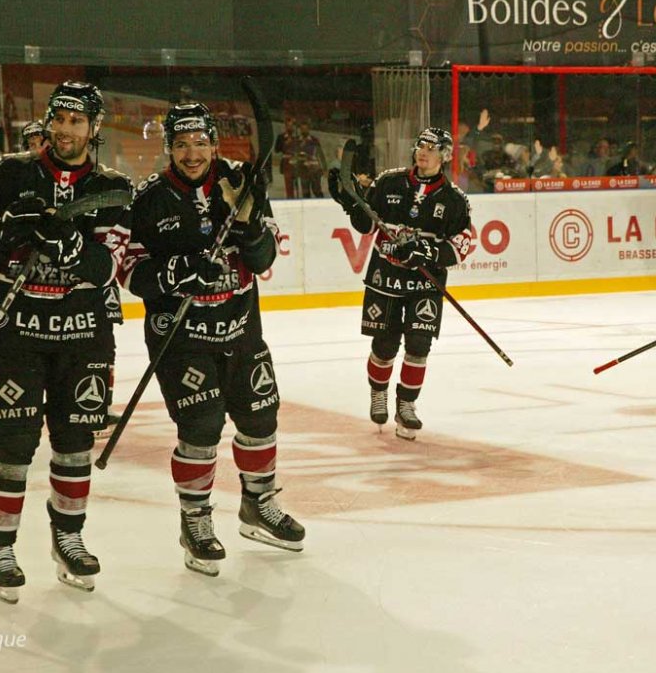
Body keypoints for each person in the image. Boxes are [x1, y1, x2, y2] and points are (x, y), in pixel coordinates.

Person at [117, 102, 304, 577]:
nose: (192, 153)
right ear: (169, 149)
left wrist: (246, 223)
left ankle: (258, 506)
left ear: (214, 143)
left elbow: (265, 259)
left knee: (261, 417)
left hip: (242, 330)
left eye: (200, 142)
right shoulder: (150, 198)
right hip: (181, 339)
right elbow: (130, 271)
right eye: (181, 144)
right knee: (200, 430)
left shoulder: (241, 184)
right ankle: (195, 520)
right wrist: (179, 272)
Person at [0, 81, 132, 602]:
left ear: (94, 128)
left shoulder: (113, 186)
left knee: (75, 443)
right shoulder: (12, 171)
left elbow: (110, 268)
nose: (64, 129)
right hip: (15, 333)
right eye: (58, 119)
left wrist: (71, 245)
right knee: (13, 444)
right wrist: (8, 230)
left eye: (76, 121)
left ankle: (69, 537)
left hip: (83, 337)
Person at [327, 127, 475, 440]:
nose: (423, 152)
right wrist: (350, 202)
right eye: (421, 145)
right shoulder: (388, 182)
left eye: (432, 149)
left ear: (445, 156)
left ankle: (406, 405)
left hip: (425, 285)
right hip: (385, 279)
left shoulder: (454, 199)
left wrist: (426, 252)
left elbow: (461, 245)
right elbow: (367, 225)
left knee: (419, 346)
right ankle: (378, 393)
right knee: (384, 346)